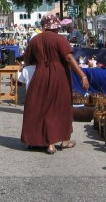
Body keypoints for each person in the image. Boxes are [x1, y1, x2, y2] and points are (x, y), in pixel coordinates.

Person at [21, 14, 90, 154]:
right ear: (56, 27)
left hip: (40, 75)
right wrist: (83, 76)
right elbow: (69, 58)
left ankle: (40, 141)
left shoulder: (35, 40)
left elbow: (27, 60)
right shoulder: (60, 40)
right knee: (60, 107)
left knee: (39, 106)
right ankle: (59, 142)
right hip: (59, 76)